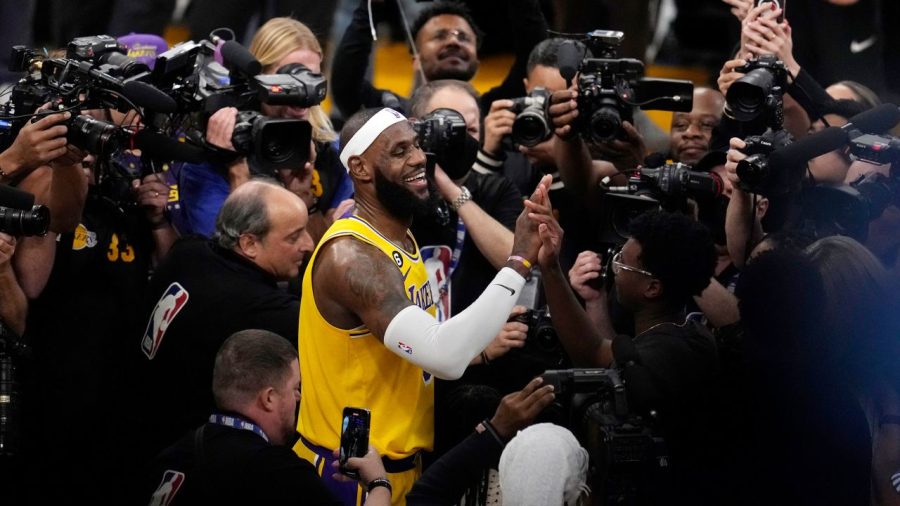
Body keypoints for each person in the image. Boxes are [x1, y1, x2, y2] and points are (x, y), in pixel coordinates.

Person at [294, 106, 550, 504]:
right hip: (350, 479)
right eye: (399, 151)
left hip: (399, 465)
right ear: (361, 169)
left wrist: (479, 349)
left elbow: (418, 352)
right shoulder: (352, 258)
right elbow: (443, 355)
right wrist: (518, 262)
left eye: (416, 146)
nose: (418, 159)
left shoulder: (402, 239)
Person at [532, 205, 722, 504]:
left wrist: (551, 269)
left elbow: (594, 354)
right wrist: (584, 292)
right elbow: (603, 353)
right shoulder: (686, 332)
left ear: (652, 288)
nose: (615, 267)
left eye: (623, 262)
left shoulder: (671, 354)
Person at [132, 180, 313, 464]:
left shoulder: (187, 250)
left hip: (137, 422)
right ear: (249, 243)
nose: (309, 244)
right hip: (190, 462)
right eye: (294, 237)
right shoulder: (264, 311)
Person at [140, 329, 392, 505]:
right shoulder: (277, 472)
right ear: (269, 398)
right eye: (295, 388)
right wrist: (378, 483)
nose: (299, 398)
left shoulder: (172, 456)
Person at [174, 17, 352, 243]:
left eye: (312, 77)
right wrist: (238, 173)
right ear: (258, 79)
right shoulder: (215, 159)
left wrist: (302, 195)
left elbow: (314, 256)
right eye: (290, 77)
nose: (304, 91)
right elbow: (233, 256)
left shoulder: (331, 151)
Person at [330, 0, 547, 117]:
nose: (454, 41)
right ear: (415, 59)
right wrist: (372, 7)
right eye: (439, 35)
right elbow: (347, 85)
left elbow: (533, 58)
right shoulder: (392, 113)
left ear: (478, 62)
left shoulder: (494, 110)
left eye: (463, 37)